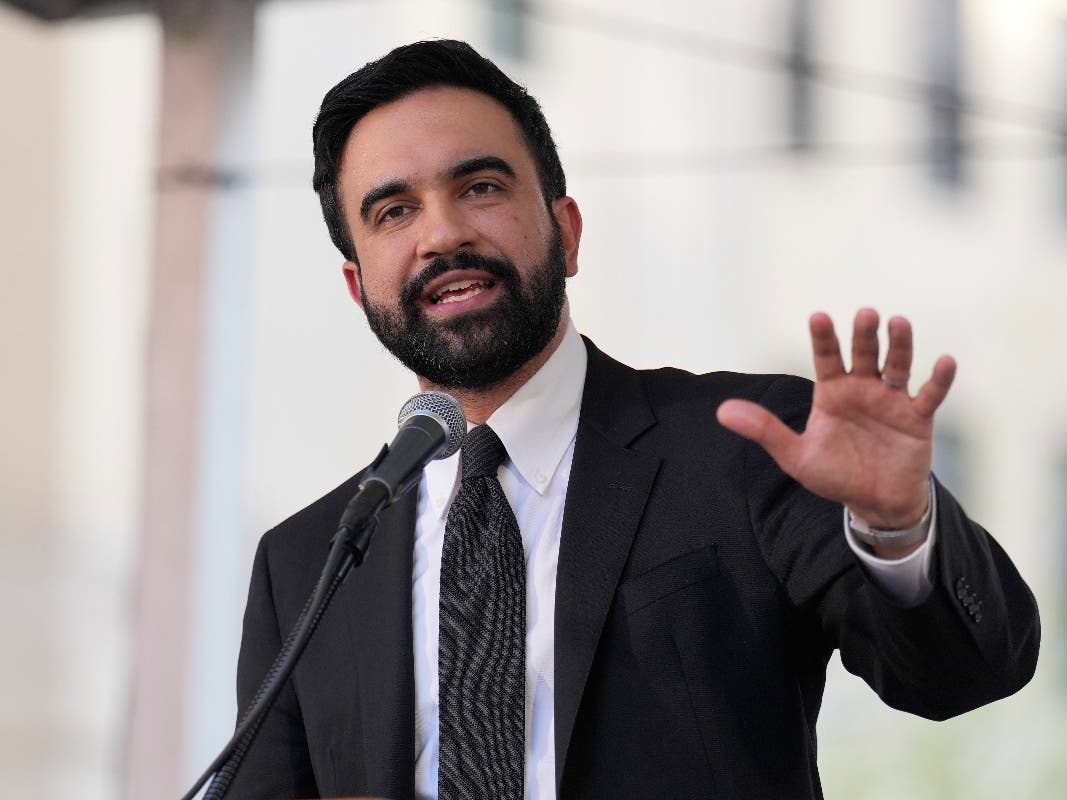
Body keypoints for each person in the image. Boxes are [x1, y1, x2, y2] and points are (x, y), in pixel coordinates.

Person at [232, 39, 1040, 800]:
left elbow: (962, 675)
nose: (442, 234)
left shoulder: (749, 443)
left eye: (480, 188)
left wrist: (897, 528)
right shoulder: (307, 564)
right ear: (357, 284)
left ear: (567, 231)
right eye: (394, 212)